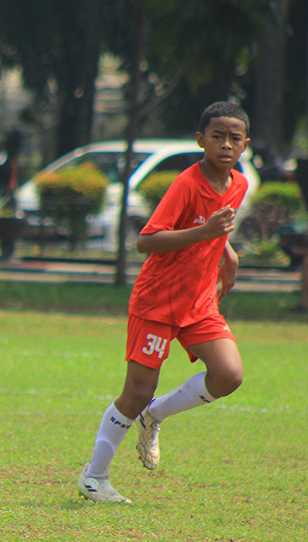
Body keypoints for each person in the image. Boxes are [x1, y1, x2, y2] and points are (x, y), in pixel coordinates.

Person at [77, 101, 251, 504]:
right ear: (200, 140)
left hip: (200, 301)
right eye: (217, 136)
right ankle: (94, 477)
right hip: (158, 300)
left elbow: (216, 230)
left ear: (245, 145)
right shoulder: (187, 184)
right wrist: (206, 232)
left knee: (228, 375)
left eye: (234, 138)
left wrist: (228, 253)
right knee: (137, 390)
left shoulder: (238, 184)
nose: (225, 144)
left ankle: (155, 415)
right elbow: (146, 241)